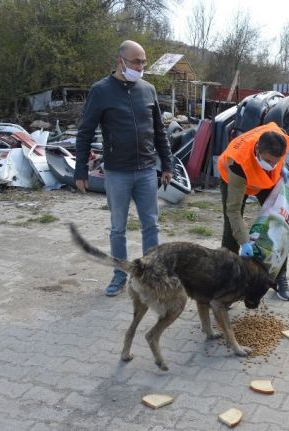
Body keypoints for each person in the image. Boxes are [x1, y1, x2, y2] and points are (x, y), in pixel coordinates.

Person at [75, 40, 173, 297]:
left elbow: (159, 132)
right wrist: (80, 171)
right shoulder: (101, 91)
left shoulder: (148, 90)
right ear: (120, 61)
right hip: (117, 173)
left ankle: (151, 276)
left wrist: (167, 165)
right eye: (136, 62)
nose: (140, 67)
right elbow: (85, 132)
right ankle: (120, 275)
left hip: (146, 172)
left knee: (151, 225)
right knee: (118, 227)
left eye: (143, 62)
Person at [217, 122, 289, 301]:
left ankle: (279, 277)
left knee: (279, 225)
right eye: (268, 161)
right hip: (235, 178)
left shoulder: (281, 140)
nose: (272, 165)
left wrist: (281, 168)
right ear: (258, 149)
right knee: (231, 231)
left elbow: (275, 161)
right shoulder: (238, 162)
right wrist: (244, 242)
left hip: (264, 181)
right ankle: (227, 283)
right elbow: (234, 210)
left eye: (276, 161)